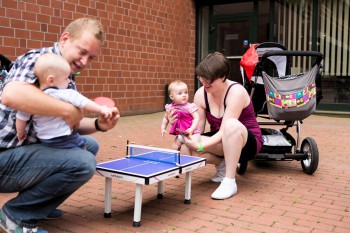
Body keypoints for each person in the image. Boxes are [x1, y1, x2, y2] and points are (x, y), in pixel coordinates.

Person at [0, 18, 120, 233]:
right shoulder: (39, 60)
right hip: (4, 157)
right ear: (65, 39)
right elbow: (11, 94)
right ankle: (14, 216)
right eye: (82, 52)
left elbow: (69, 124)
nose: (85, 62)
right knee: (83, 162)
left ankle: (39, 204)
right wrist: (66, 109)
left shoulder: (65, 75)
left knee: (89, 145)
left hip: (21, 153)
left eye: (91, 57)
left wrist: (99, 124)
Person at [169, 52, 263, 200]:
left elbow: (225, 130)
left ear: (223, 76)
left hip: (246, 144)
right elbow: (198, 127)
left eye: (209, 79)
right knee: (187, 147)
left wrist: (200, 146)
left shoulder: (236, 91)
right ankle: (223, 165)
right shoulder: (201, 94)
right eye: (201, 77)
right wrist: (186, 135)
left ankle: (230, 181)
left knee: (231, 125)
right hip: (221, 142)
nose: (204, 82)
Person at [16, 53, 115, 149]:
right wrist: (101, 109)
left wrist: (20, 132)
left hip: (45, 139)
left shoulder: (33, 98)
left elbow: (21, 116)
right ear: (51, 80)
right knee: (82, 148)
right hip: (63, 138)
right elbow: (84, 102)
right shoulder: (65, 93)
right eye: (66, 78)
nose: (69, 81)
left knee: (91, 144)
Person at [161, 80, 200, 155]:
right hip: (181, 133)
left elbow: (196, 118)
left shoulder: (189, 107)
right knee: (174, 147)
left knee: (191, 147)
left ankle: (190, 162)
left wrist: (191, 129)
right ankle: (176, 161)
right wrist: (163, 128)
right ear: (172, 97)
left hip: (193, 133)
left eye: (186, 92)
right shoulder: (170, 107)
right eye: (180, 93)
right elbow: (165, 118)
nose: (184, 95)